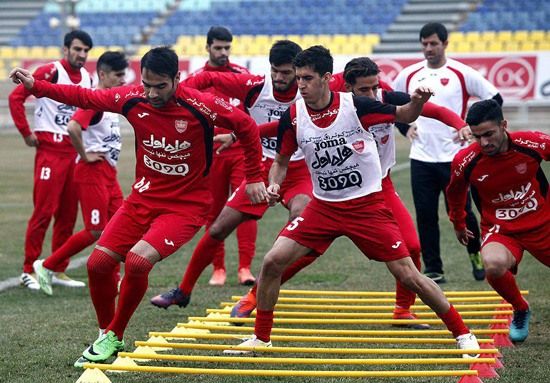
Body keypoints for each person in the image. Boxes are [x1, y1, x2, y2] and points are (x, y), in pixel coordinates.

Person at [10, 46, 266, 366]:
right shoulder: (133, 97)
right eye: (146, 84)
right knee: (98, 265)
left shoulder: (202, 104)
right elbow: (85, 97)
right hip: (142, 198)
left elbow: (247, 127)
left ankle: (114, 335)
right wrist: (38, 87)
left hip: (186, 207)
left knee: (137, 262)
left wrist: (255, 176)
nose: (152, 93)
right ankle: (106, 333)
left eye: (160, 86)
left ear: (176, 78)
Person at [224, 46, 480, 357]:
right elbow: (280, 160)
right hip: (323, 207)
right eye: (299, 78)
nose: (299, 85)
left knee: (408, 274)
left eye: (307, 79)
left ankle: (462, 333)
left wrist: (416, 101)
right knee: (272, 262)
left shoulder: (357, 106)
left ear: (326, 78)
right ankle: (261, 338)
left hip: (366, 207)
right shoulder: (294, 114)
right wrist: (274, 184)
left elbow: (404, 115)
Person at [148, 40, 312, 309]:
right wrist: (176, 93)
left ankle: (257, 290)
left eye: (286, 72)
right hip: (261, 167)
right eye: (275, 71)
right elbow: (208, 77)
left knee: (298, 224)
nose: (279, 78)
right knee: (218, 227)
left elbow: (289, 123)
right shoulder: (255, 86)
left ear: (298, 70)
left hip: (300, 169)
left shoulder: (310, 88)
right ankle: (183, 290)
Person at [392, 22, 503, 284]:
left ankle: (476, 255)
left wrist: (470, 127)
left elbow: (494, 98)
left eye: (433, 43)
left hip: (456, 157)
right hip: (421, 159)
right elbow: (390, 103)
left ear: (445, 44)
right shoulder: (408, 74)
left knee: (465, 212)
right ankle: (434, 268)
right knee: (426, 215)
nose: (428, 49)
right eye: (424, 44)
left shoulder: (461, 72)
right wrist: (404, 127)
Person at [447, 100, 550, 342]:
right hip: (501, 230)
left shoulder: (532, 142)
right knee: (491, 264)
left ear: (504, 125)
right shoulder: (466, 160)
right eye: (477, 136)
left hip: (543, 224)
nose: (484, 142)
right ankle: (520, 307)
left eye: (489, 134)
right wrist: (459, 223)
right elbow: (455, 193)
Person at [33, 51, 129, 296]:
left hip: (108, 173)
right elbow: (73, 126)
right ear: (103, 75)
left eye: (124, 74)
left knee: (120, 225)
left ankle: (115, 278)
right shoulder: (95, 100)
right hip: (91, 172)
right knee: (95, 231)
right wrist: (85, 154)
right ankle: (46, 265)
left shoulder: (109, 102)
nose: (122, 79)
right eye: (118, 75)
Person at [9, 30, 93, 290]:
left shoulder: (88, 78)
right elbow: (16, 97)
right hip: (50, 152)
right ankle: (28, 269)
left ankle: (57, 269)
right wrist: (26, 133)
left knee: (68, 216)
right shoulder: (51, 70)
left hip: (74, 153)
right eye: (77, 49)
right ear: (65, 49)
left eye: (85, 51)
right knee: (44, 212)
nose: (81, 55)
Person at [188, 26, 256, 286]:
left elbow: (253, 114)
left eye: (227, 47)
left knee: (245, 207)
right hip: (211, 156)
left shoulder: (242, 76)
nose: (223, 52)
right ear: (207, 48)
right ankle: (218, 268)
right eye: (218, 47)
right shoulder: (197, 79)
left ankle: (245, 268)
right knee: (214, 211)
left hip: (242, 152)